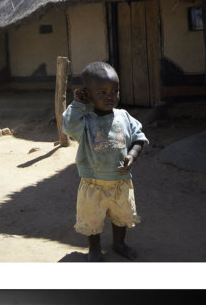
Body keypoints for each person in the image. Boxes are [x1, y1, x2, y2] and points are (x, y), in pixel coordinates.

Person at [62, 61, 149, 262]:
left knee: (121, 218)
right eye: (102, 92)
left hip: (121, 183)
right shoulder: (84, 120)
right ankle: (94, 249)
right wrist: (78, 104)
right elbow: (68, 126)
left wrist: (132, 156)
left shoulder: (124, 116)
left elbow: (138, 138)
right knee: (93, 220)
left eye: (114, 91)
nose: (110, 96)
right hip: (94, 183)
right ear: (87, 93)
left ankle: (119, 244)